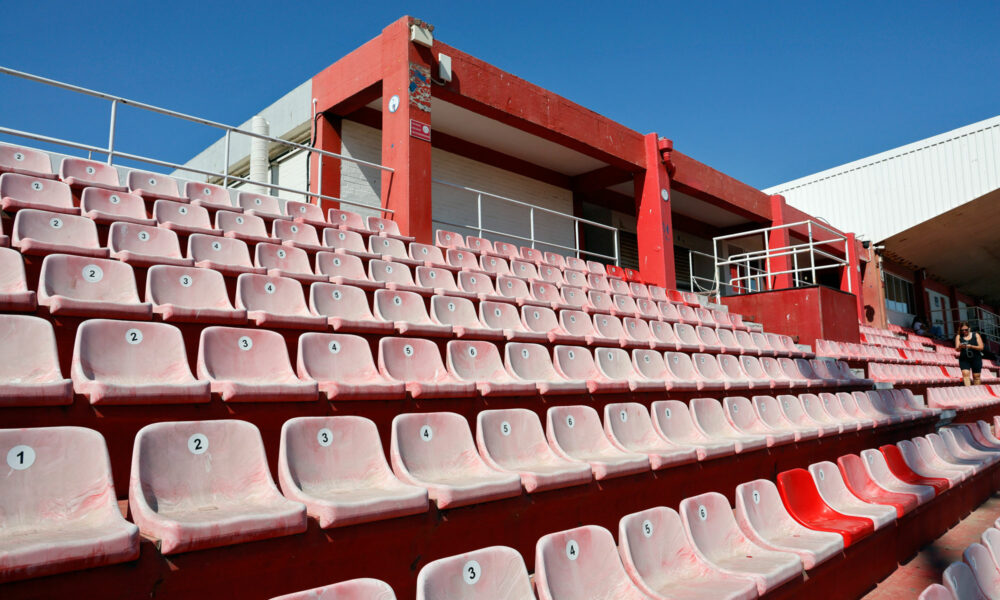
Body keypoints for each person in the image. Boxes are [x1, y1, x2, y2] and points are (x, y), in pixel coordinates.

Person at [955, 321, 985, 386]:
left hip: (976, 358)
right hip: (964, 358)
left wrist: (971, 346)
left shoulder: (976, 335)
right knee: (965, 374)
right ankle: (969, 391)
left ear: (969, 328)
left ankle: (977, 391)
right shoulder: (959, 336)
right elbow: (957, 349)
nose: (964, 331)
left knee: (976, 376)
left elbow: (981, 347)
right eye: (962, 330)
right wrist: (960, 347)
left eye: (966, 330)